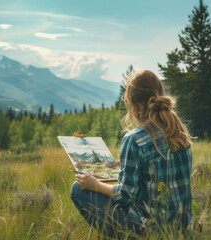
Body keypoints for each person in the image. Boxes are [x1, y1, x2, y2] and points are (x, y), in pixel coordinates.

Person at [70, 70, 194, 238]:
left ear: (136, 104)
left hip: (148, 231)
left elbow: (125, 196)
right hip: (183, 229)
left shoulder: (134, 138)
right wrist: (128, 165)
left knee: (78, 189)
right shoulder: (178, 131)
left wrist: (95, 185)